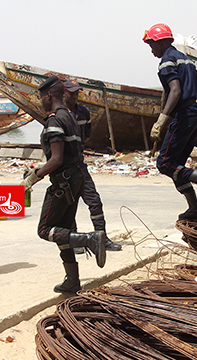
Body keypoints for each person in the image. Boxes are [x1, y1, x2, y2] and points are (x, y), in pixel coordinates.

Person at [20, 76, 106, 294]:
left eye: (41, 97)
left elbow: (57, 159)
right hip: (75, 178)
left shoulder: (54, 120)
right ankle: (72, 280)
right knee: (63, 231)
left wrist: (33, 177)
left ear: (49, 95)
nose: (41, 101)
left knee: (45, 230)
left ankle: (89, 239)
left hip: (63, 182)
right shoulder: (70, 116)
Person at [143, 23, 197, 221]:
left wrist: (162, 119)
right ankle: (194, 208)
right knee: (177, 166)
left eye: (152, 45)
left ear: (160, 43)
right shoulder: (187, 60)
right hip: (194, 112)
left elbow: (176, 91)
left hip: (184, 114)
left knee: (164, 164)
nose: (152, 50)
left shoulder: (167, 61)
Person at [63, 79, 121, 252]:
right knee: (69, 205)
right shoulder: (59, 115)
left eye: (76, 92)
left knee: (94, 201)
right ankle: (73, 240)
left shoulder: (83, 112)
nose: (74, 95)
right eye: (71, 92)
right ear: (63, 93)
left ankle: (101, 238)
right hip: (66, 167)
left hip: (80, 165)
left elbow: (87, 135)